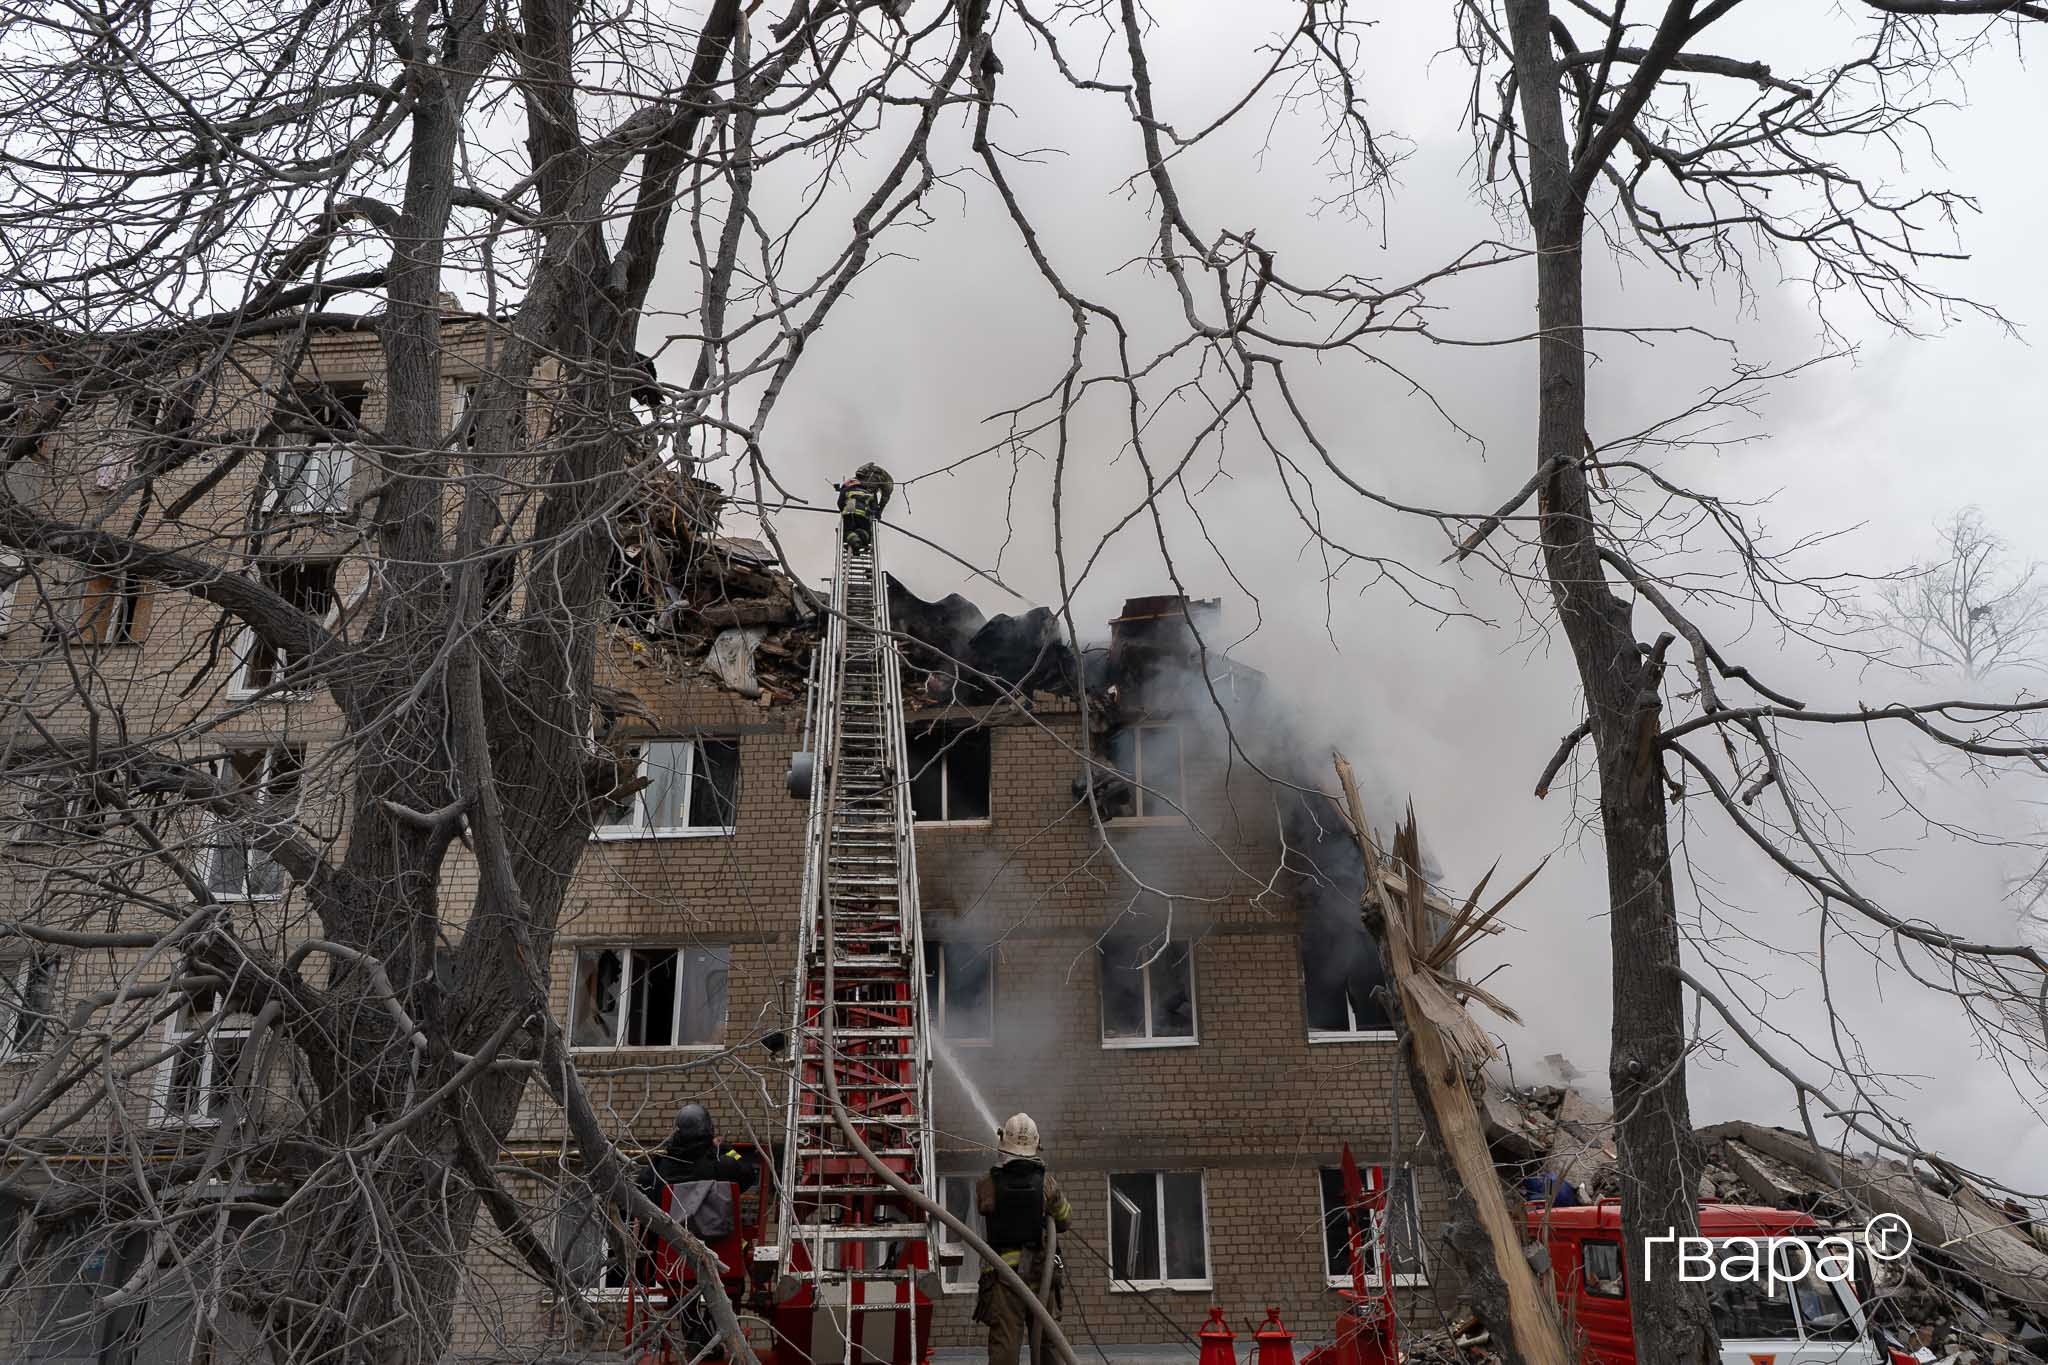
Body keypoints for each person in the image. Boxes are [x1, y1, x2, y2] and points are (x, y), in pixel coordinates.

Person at [635, 1102, 759, 1351]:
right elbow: (748, 1174)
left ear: (677, 1132)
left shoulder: (658, 1170)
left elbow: (637, 1198)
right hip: (721, 1263)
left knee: (680, 1284)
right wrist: (724, 1149)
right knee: (736, 1259)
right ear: (708, 1131)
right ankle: (717, 1325)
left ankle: (692, 1328)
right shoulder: (722, 1165)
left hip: (673, 1264)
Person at [974, 1113, 1072, 1365]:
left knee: (1005, 1350)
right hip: (1041, 1276)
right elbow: (1064, 1221)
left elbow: (984, 1206)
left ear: (1002, 1144)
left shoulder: (987, 1184)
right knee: (1049, 1346)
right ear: (1036, 1144)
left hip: (1004, 1281)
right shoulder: (1047, 1184)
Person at [837, 479, 878, 553]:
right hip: (863, 516)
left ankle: (855, 541)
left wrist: (843, 509)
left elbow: (840, 503)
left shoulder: (846, 491)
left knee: (847, 532)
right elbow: (874, 507)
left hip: (849, 514)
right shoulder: (868, 493)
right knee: (866, 532)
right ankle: (858, 540)